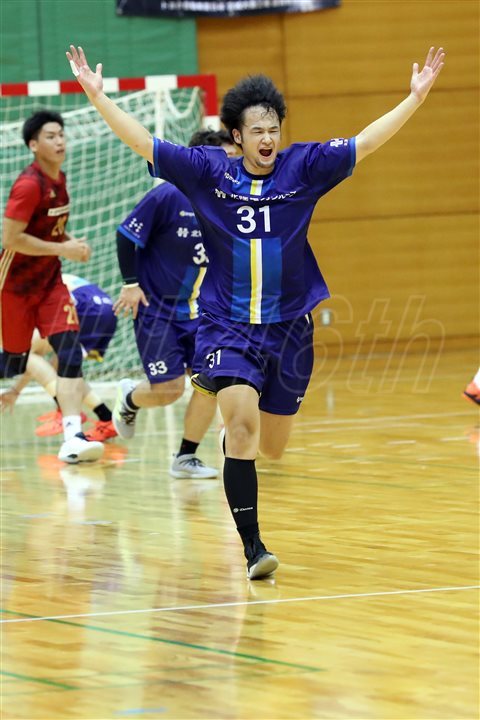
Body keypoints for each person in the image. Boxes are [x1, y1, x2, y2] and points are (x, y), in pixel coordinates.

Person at [66, 44, 445, 577]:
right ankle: (253, 548)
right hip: (226, 325)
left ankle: (235, 438)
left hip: (289, 330)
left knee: (272, 447)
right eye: (257, 130)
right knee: (242, 428)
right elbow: (142, 140)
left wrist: (415, 99)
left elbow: (366, 142)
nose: (267, 138)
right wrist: (98, 98)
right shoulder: (207, 171)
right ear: (237, 136)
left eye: (274, 129)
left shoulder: (304, 167)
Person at [113, 129, 236, 478]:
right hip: (156, 308)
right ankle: (130, 398)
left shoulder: (229, 203)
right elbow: (125, 234)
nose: (230, 166)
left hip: (201, 311)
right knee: (168, 390)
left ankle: (185, 457)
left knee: (211, 380)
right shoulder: (167, 195)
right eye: (224, 158)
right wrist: (130, 284)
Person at [1, 109, 104, 463]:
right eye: (50, 136)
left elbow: (49, 229)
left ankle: (73, 436)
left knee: (70, 352)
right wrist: (64, 249)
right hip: (14, 287)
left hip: (50, 284)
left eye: (61, 134)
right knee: (12, 365)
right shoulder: (29, 185)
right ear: (33, 145)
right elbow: (11, 239)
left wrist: (71, 243)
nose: (59, 141)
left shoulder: (59, 179)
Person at [0, 273, 118, 443]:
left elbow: (26, 355)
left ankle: (67, 410)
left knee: (27, 352)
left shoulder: (12, 288)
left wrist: (15, 390)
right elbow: (36, 363)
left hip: (80, 305)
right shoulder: (25, 276)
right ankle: (106, 418)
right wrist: (16, 390)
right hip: (104, 307)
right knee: (61, 370)